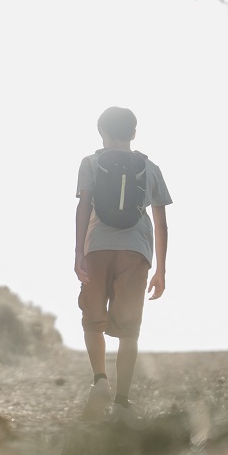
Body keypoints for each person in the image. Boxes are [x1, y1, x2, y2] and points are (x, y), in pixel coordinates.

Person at [74, 107, 172, 418]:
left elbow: (83, 207)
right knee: (129, 330)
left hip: (97, 247)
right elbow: (161, 223)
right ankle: (121, 402)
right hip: (136, 251)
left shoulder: (90, 162)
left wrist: (79, 252)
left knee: (92, 319)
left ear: (101, 134)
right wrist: (161, 269)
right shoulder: (150, 167)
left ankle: (100, 380)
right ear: (133, 133)